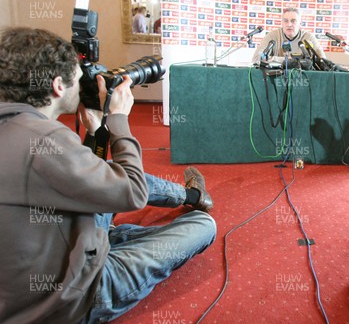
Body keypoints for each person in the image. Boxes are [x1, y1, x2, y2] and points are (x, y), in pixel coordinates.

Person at [0, 27, 216, 323]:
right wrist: (118, 121)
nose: (83, 87)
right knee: (203, 225)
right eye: (78, 80)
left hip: (45, 261)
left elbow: (83, 177)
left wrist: (94, 134)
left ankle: (188, 197)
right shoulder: (44, 139)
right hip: (77, 295)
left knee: (111, 172)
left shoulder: (17, 127)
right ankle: (191, 203)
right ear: (57, 87)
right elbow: (133, 190)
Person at [251, 6, 327, 65]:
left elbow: (322, 60)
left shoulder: (309, 38)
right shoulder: (272, 36)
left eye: (293, 21)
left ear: (300, 23)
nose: (289, 25)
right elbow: (256, 59)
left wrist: (273, 59)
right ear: (282, 23)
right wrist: (287, 61)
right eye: (286, 21)